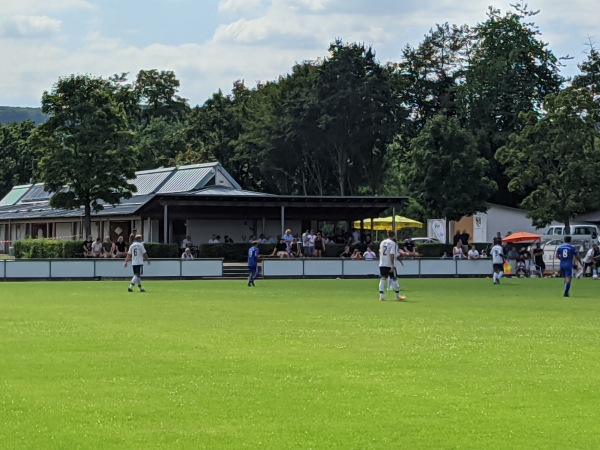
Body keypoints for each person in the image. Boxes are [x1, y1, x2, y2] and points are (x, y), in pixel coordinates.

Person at [378, 231, 405, 301]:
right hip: (389, 264)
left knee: (383, 279)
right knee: (394, 278)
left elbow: (380, 251)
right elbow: (392, 254)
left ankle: (381, 297)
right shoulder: (393, 243)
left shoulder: (382, 242)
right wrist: (392, 265)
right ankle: (397, 296)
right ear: (394, 236)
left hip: (382, 264)